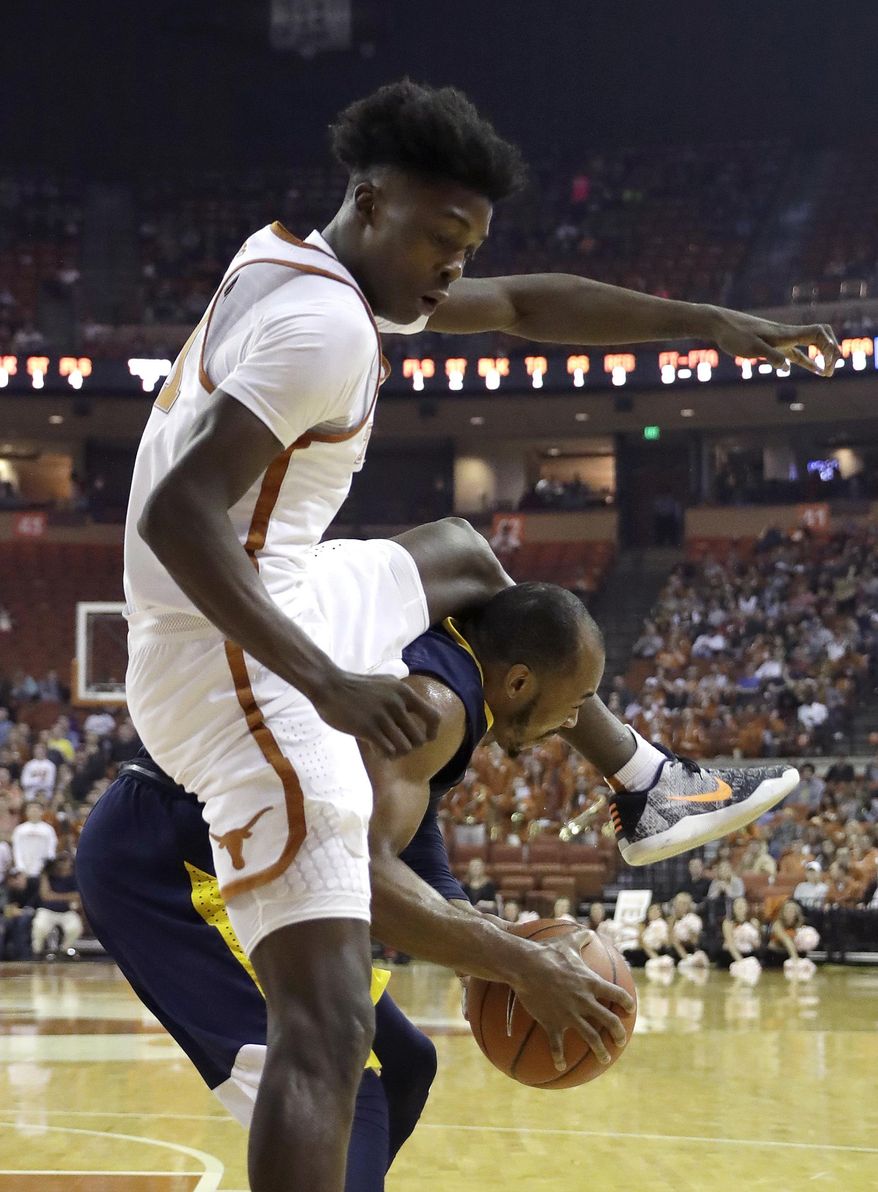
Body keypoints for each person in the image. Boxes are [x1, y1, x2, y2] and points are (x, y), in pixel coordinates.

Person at [119, 79, 833, 1191]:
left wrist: (704, 320)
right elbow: (174, 515)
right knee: (326, 1036)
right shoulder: (322, 328)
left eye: (467, 242)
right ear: (370, 198)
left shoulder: (297, 262)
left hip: (276, 587)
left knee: (459, 550)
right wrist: (332, 686)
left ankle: (642, 777)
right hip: (234, 654)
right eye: (441, 240)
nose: (453, 268)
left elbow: (521, 305)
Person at [78, 582, 634, 1189]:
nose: (578, 720)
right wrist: (522, 963)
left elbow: (404, 834)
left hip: (226, 845)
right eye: (578, 699)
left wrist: (474, 929)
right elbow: (364, 874)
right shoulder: (439, 702)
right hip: (171, 862)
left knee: (403, 1065)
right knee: (347, 1088)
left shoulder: (451, 673)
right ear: (521, 682)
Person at [31, 853, 83, 959]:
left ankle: (63, 951)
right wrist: (44, 874)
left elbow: (78, 896)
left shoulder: (75, 875)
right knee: (39, 926)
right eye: (60, 861)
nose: (62, 864)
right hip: (48, 910)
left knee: (75, 928)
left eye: (65, 861)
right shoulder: (49, 874)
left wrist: (54, 895)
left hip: (66, 911)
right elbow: (45, 896)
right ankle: (37, 953)